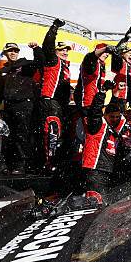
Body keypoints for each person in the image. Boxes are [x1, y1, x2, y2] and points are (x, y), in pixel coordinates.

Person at [0, 42, 43, 174]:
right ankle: (8, 165)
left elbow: (41, 62)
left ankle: (21, 165)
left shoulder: (26, 66)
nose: (13, 53)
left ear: (18, 52)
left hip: (24, 106)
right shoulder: (3, 72)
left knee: (22, 136)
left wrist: (36, 49)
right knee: (8, 136)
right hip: (8, 107)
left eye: (15, 50)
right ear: (5, 53)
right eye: (10, 51)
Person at [81, 82, 127, 197]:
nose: (115, 119)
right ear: (105, 115)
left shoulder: (113, 128)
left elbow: (116, 108)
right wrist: (102, 92)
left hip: (107, 170)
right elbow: (95, 111)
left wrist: (116, 93)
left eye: (117, 117)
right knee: (97, 203)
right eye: (112, 117)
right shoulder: (97, 125)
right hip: (95, 170)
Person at [38, 18, 72, 170]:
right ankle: (48, 163)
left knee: (58, 134)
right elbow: (47, 46)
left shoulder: (66, 66)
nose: (65, 52)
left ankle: (55, 162)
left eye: (67, 50)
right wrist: (54, 28)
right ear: (56, 52)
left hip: (59, 104)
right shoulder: (53, 60)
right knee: (51, 132)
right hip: (49, 101)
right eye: (62, 49)